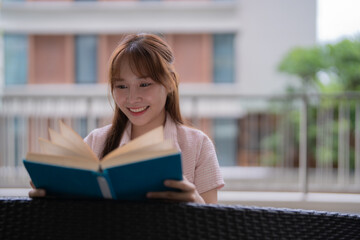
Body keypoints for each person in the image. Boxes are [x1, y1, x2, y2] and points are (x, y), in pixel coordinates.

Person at [29, 33, 224, 204]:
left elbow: (213, 226)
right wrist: (51, 197)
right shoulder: (96, 142)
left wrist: (194, 200)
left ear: (170, 83)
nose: (131, 98)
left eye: (145, 84)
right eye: (121, 87)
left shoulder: (198, 146)